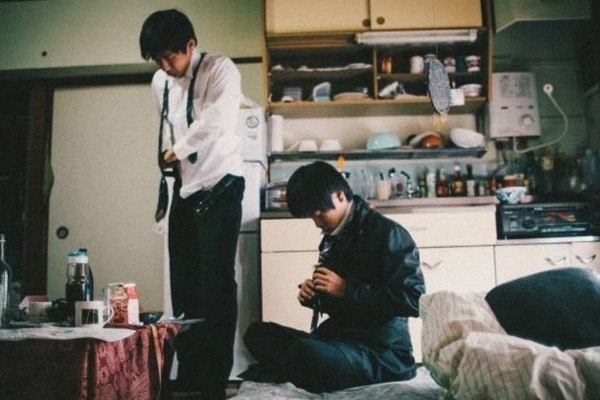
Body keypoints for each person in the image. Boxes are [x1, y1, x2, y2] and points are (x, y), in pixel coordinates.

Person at [241, 161, 426, 393]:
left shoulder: (388, 233)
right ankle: (303, 368)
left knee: (306, 352)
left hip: (381, 353)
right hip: (339, 341)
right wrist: (315, 298)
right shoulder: (334, 235)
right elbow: (342, 306)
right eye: (311, 217)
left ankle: (300, 368)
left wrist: (346, 289)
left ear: (339, 196)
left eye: (319, 214)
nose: (317, 224)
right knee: (257, 333)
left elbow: (414, 301)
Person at [139, 9, 244, 400]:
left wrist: (178, 150)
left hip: (221, 183)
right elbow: (169, 125)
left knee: (216, 283)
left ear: (191, 45)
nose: (165, 67)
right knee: (183, 284)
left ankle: (215, 380)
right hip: (184, 188)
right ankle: (190, 374)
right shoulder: (159, 81)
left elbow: (218, 120)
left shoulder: (220, 69)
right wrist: (172, 159)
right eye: (157, 60)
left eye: (170, 57)